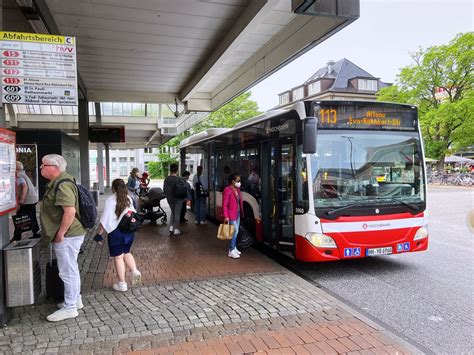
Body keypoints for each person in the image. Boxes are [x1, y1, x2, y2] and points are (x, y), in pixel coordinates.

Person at [39, 154, 85, 322]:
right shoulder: (60, 182)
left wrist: (60, 234)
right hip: (70, 234)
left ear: (55, 168)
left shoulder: (62, 184)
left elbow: (70, 212)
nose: (41, 168)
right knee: (70, 268)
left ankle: (70, 307)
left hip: (68, 235)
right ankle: (75, 300)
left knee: (67, 271)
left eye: (43, 165)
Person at [95, 179, 141, 292]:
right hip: (129, 232)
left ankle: (122, 284)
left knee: (118, 257)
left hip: (116, 233)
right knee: (126, 252)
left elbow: (104, 220)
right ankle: (135, 271)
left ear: (113, 188)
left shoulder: (110, 200)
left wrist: (98, 234)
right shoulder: (129, 198)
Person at [13, 161, 40, 241]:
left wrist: (21, 200)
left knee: (19, 217)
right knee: (32, 216)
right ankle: (35, 232)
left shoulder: (18, 176)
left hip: (27, 201)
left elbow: (24, 186)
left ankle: (17, 236)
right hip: (33, 199)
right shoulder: (23, 174)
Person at [222, 173, 244, 259]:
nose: (239, 182)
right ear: (233, 181)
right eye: (238, 181)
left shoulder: (237, 189)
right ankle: (231, 250)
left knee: (236, 231)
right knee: (233, 231)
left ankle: (234, 247)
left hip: (237, 213)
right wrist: (226, 216)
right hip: (231, 214)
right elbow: (224, 205)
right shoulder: (227, 190)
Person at [163, 163, 183, 235]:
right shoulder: (179, 179)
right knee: (177, 213)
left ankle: (171, 227)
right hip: (178, 199)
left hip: (170, 199)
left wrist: (168, 196)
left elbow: (164, 189)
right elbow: (183, 188)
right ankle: (176, 229)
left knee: (173, 212)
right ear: (177, 170)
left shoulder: (167, 179)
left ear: (170, 170)